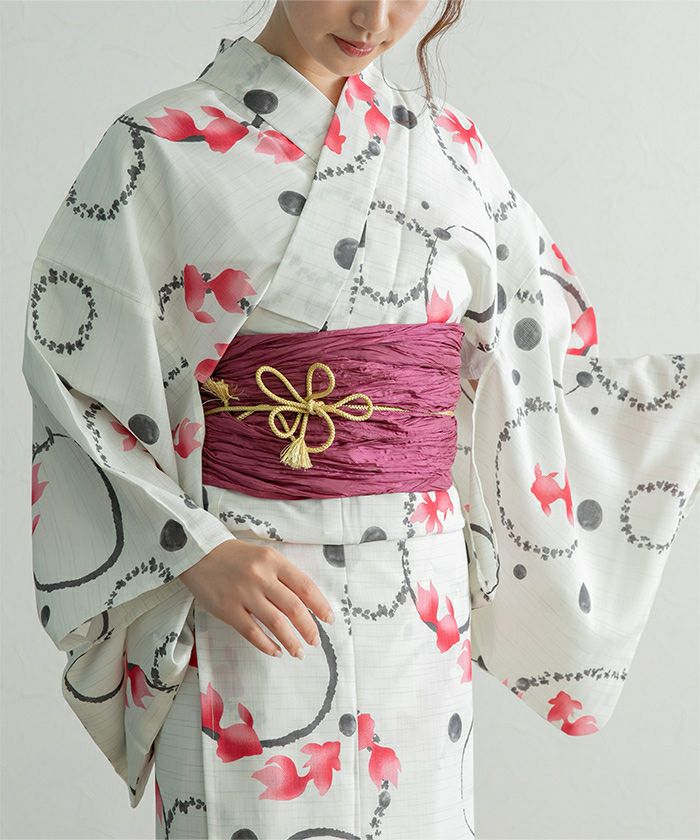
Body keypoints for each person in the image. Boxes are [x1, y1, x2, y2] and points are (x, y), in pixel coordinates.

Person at [21, 1, 699, 838]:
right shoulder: (157, 146)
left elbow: (544, 379)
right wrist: (194, 551)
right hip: (247, 592)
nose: (374, 18)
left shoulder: (453, 151)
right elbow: (74, 376)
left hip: (417, 598)